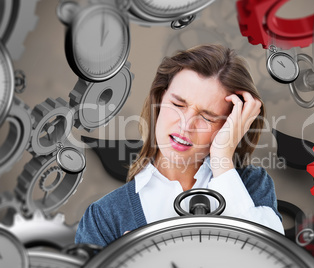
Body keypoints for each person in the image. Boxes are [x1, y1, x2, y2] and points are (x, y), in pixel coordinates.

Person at [75, 44, 284, 248]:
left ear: (231, 124)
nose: (185, 125)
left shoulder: (251, 186)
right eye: (177, 105)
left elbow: (272, 258)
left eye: (207, 117)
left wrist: (222, 157)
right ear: (159, 98)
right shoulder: (104, 217)